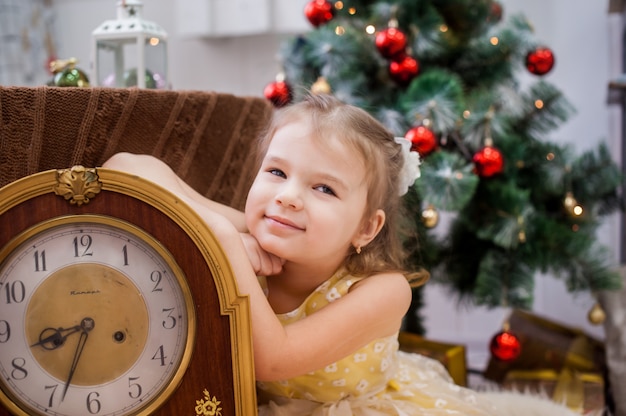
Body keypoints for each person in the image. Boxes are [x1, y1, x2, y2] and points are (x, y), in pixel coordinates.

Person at [103, 94, 574, 416]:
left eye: (323, 187)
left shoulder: (383, 290)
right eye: (276, 171)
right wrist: (224, 229)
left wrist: (223, 244)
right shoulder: (257, 232)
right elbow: (124, 168)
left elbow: (273, 360)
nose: (287, 196)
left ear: (366, 228)